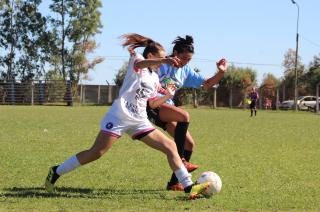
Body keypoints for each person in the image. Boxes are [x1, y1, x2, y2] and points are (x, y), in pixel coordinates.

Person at [44, 33, 209, 199]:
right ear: (151, 56)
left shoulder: (154, 78)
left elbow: (152, 104)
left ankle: (188, 187)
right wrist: (165, 61)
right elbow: (142, 63)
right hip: (119, 116)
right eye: (161, 58)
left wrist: (168, 94)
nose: (164, 60)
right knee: (96, 152)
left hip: (139, 121)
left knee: (170, 146)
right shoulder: (137, 62)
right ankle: (56, 171)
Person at [146, 35, 227, 191]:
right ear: (175, 53)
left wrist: (221, 72)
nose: (185, 62)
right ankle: (181, 160)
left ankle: (174, 183)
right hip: (153, 105)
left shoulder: (186, 70)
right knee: (184, 116)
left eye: (189, 60)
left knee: (189, 144)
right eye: (183, 58)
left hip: (167, 108)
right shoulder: (161, 63)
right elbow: (144, 68)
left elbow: (207, 84)